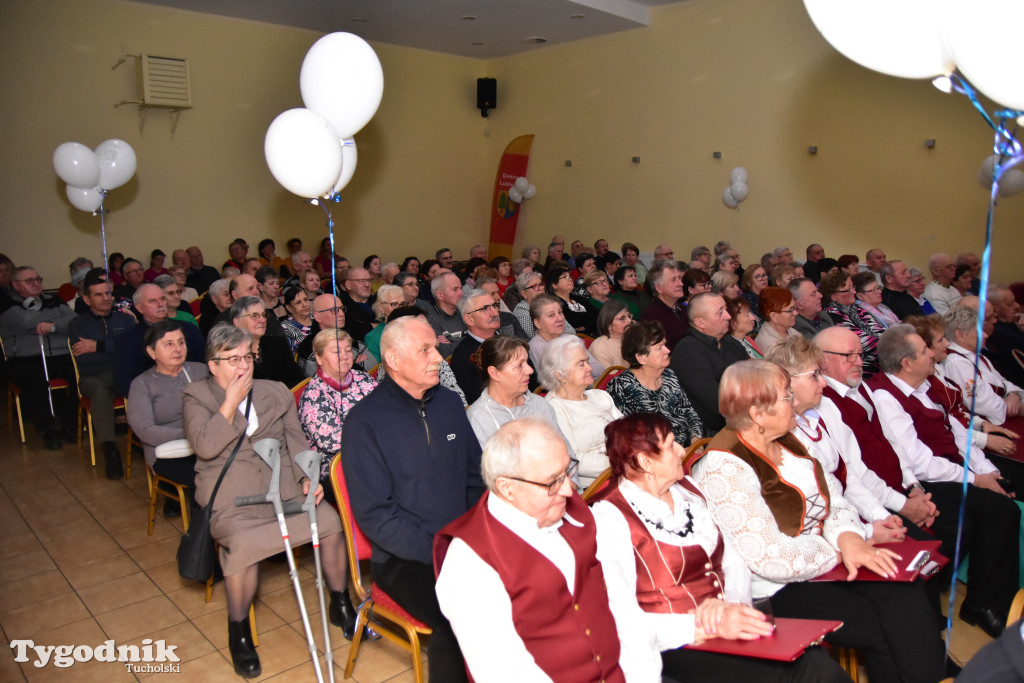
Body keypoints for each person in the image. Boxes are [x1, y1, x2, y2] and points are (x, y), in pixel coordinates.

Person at [691, 360, 946, 683]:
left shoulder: (790, 439)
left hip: (822, 563)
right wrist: (838, 549)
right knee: (880, 625)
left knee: (904, 587)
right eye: (786, 397)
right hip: (776, 588)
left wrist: (850, 537)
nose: (793, 402)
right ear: (758, 414)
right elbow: (771, 559)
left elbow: (833, 497)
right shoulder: (725, 468)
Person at [592, 413, 848, 683]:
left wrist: (730, 608)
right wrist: (702, 625)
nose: (681, 450)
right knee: (811, 671)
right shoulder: (610, 518)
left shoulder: (689, 491)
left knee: (814, 658)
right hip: (673, 644)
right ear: (646, 462)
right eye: (670, 446)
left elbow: (732, 560)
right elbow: (622, 617)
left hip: (725, 628)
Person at [828, 323, 1020, 637]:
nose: (857, 361)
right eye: (847, 355)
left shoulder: (869, 388)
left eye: (859, 354)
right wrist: (906, 502)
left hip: (912, 483)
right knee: (969, 521)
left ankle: (981, 603)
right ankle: (940, 617)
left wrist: (915, 490)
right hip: (891, 493)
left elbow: (903, 449)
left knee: (988, 512)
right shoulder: (855, 398)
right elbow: (856, 472)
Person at [434, 418, 662, 682]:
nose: (568, 489)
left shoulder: (573, 511)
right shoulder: (469, 562)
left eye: (567, 471)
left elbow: (622, 609)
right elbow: (504, 673)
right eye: (552, 481)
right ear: (507, 488)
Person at [182, 324, 349, 677]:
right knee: (242, 545)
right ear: (213, 365)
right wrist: (229, 402)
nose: (243, 366)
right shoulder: (196, 396)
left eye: (247, 357)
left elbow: (297, 441)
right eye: (232, 359)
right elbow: (206, 446)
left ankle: (341, 601)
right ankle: (239, 630)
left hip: (283, 487)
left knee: (331, 521)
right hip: (231, 496)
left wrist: (308, 476)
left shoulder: (274, 391)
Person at [341, 316, 485, 682]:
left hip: (462, 542)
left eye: (436, 347)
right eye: (426, 350)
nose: (438, 356)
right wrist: (441, 550)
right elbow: (376, 517)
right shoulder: (364, 423)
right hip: (406, 559)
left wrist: (475, 537)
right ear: (392, 359)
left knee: (531, 587)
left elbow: (474, 477)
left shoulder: (449, 404)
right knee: (458, 620)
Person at [764, 336, 915, 544]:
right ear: (786, 382)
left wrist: (882, 516)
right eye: (815, 375)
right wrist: (868, 531)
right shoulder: (781, 436)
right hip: (822, 538)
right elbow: (818, 507)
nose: (824, 382)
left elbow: (848, 475)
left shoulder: (814, 416)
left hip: (851, 519)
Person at [126, 321, 209, 515]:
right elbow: (146, 431)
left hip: (206, 443)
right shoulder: (142, 384)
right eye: (169, 344)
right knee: (205, 476)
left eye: (181, 342)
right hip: (166, 452)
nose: (178, 349)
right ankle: (201, 535)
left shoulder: (201, 371)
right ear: (152, 352)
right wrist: (191, 434)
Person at [298, 327, 376, 509]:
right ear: (318, 358)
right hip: (338, 468)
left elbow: (389, 412)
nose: (344, 356)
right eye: (336, 352)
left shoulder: (362, 378)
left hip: (375, 454)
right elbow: (335, 442)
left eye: (348, 350)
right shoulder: (314, 395)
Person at [68, 272, 135, 476]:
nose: (106, 298)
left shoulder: (125, 319)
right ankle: (110, 449)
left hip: (124, 372)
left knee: (149, 381)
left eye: (108, 293)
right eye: (98, 295)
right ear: (87, 299)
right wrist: (115, 348)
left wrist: (97, 345)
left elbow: (133, 347)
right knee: (99, 390)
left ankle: (145, 438)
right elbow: (86, 359)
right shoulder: (78, 324)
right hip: (93, 376)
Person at [466, 336, 572, 455]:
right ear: (494, 373)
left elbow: (567, 453)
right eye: (519, 365)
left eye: (527, 362)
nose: (530, 370)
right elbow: (494, 472)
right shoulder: (479, 418)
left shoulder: (540, 404)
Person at [541, 335, 623, 487]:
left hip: (628, 472)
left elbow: (630, 433)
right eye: (581, 364)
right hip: (597, 486)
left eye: (587, 361)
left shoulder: (600, 396)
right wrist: (621, 462)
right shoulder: (553, 408)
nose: (589, 368)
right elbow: (572, 459)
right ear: (559, 374)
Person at [607, 320, 704, 446]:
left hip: (689, 449)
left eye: (665, 345)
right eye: (659, 347)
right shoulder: (621, 387)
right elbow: (633, 440)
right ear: (641, 358)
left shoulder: (669, 376)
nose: (668, 350)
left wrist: (696, 442)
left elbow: (691, 415)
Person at [672, 293, 749, 432]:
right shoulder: (688, 351)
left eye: (725, 309)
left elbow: (756, 376)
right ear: (700, 323)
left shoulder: (729, 341)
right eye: (720, 313)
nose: (728, 316)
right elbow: (718, 403)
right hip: (716, 432)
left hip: (746, 416)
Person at [941, 305, 1024, 428]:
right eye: (979, 331)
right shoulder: (957, 362)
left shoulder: (976, 355)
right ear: (960, 335)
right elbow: (982, 404)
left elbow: (1003, 382)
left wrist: (1014, 395)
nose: (985, 335)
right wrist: (1017, 406)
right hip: (994, 425)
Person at [820, 270, 884, 376]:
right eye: (848, 289)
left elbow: (881, 331)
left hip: (881, 362)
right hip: (864, 369)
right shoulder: (833, 314)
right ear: (833, 296)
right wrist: (892, 346)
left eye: (853, 287)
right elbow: (862, 343)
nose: (854, 292)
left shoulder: (857, 309)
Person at [230, 298, 304, 388]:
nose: (263, 320)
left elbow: (298, 380)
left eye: (264, 315)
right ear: (237, 322)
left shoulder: (277, 344)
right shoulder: (230, 354)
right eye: (254, 316)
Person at [448, 288, 502, 404]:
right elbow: (474, 399)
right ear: (469, 319)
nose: (494, 313)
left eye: (494, 306)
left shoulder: (510, 341)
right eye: (485, 309)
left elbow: (532, 381)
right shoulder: (462, 356)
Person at [641, 259, 689, 350]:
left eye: (679, 278)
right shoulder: (651, 317)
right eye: (673, 280)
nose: (681, 284)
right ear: (659, 288)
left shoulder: (683, 308)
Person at [545, 265, 597, 336]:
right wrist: (591, 320)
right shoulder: (554, 303)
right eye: (564, 277)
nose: (570, 279)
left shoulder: (579, 298)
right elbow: (573, 320)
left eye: (570, 277)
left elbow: (598, 314)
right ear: (554, 285)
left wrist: (586, 326)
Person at [426, 271, 469, 357]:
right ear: (440, 295)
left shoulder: (466, 312)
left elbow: (479, 341)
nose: (461, 293)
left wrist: (452, 341)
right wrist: (467, 340)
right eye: (455, 289)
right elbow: (446, 353)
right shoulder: (430, 321)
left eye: (461, 288)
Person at [513, 270, 566, 339]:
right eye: (535, 286)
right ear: (524, 294)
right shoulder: (522, 312)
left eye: (541, 285)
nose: (541, 288)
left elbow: (571, 329)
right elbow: (536, 337)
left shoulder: (549, 304)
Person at [361, 284, 403, 367]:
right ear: (381, 308)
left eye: (403, 304)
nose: (400, 308)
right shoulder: (373, 337)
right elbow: (377, 370)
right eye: (394, 304)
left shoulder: (414, 328)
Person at [754, 286, 801, 352]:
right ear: (773, 316)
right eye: (790, 310)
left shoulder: (792, 332)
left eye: (794, 307)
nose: (796, 313)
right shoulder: (769, 345)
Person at [589, 299, 632, 370]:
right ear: (608, 324)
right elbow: (610, 379)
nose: (629, 321)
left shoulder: (632, 338)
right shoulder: (600, 347)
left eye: (629, 316)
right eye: (622, 318)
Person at [279, 287, 313, 353]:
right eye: (298, 302)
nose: (304, 305)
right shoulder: (285, 329)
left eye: (306, 300)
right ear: (289, 308)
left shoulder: (318, 321)